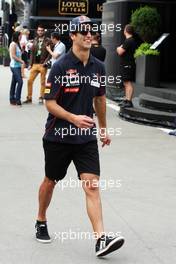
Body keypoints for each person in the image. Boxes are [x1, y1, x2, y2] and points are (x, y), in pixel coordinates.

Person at [35, 16, 125, 257]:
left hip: (85, 138)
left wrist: (103, 129)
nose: (88, 35)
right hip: (58, 136)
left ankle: (100, 239)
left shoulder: (99, 66)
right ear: (72, 36)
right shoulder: (60, 66)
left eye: (91, 31)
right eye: (82, 31)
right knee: (51, 180)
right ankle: (41, 219)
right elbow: (50, 103)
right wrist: (73, 118)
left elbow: (100, 99)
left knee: (92, 185)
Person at [23, 25, 51, 104]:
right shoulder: (35, 40)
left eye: (41, 30)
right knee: (29, 81)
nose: (40, 32)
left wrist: (45, 63)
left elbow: (50, 54)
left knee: (42, 82)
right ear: (37, 31)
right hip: (35, 64)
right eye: (39, 30)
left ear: (44, 31)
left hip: (42, 65)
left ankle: (41, 97)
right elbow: (32, 53)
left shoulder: (48, 40)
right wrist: (30, 64)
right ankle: (29, 98)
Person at [116, 24, 138, 108]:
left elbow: (120, 51)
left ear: (126, 31)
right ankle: (126, 100)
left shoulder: (129, 41)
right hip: (127, 64)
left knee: (128, 83)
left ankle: (129, 101)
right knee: (125, 83)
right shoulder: (130, 40)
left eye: (124, 29)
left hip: (128, 65)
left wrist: (118, 48)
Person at [9, 31, 25, 105]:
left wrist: (23, 50)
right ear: (17, 36)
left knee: (14, 82)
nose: (21, 37)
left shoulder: (17, 44)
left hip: (18, 66)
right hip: (14, 66)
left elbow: (18, 54)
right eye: (20, 36)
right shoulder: (13, 44)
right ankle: (17, 99)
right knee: (20, 82)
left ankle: (12, 98)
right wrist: (22, 61)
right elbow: (13, 56)